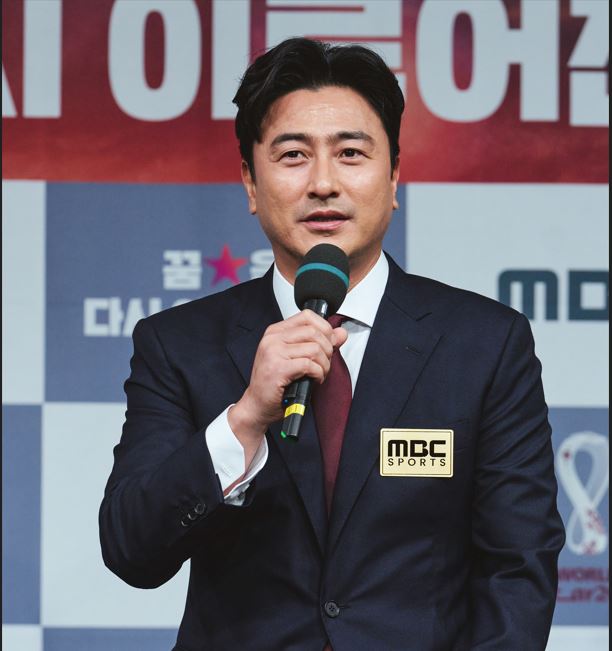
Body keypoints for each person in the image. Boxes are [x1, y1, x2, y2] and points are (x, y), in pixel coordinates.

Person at [99, 38, 565, 650]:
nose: (323, 183)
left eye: (350, 153)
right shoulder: (179, 344)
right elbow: (132, 550)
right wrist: (244, 420)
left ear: (393, 177)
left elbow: (518, 568)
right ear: (250, 183)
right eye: (293, 155)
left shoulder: (485, 343)